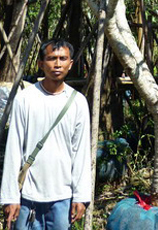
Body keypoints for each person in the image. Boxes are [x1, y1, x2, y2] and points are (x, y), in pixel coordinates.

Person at [0, 39, 91, 229]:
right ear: (41, 64)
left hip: (63, 197)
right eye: (51, 59)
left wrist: (81, 196)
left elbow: (81, 153)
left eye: (63, 59)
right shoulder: (25, 99)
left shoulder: (78, 103)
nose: (57, 64)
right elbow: (14, 148)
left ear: (71, 64)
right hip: (27, 196)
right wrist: (10, 197)